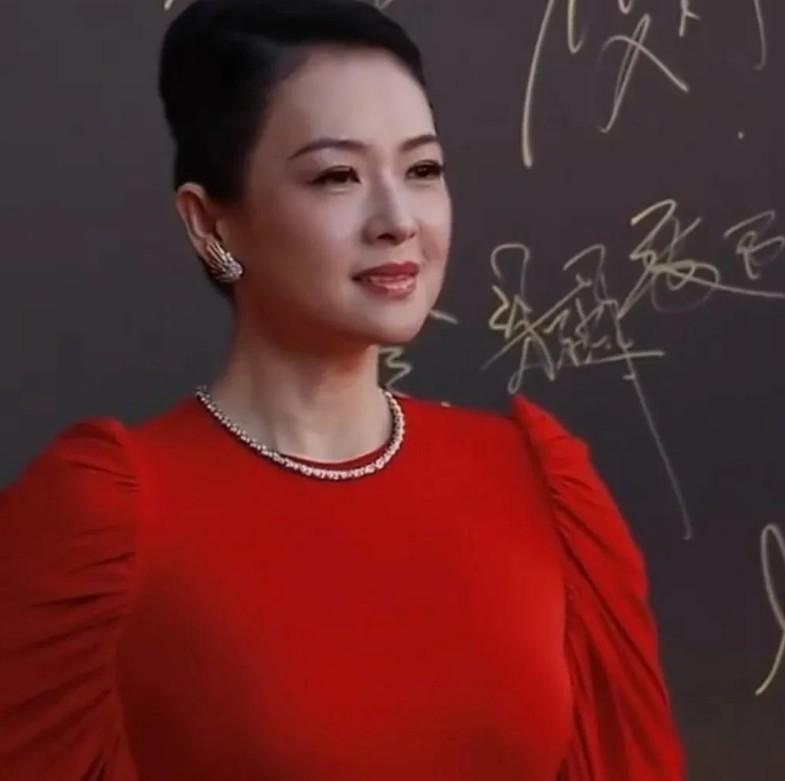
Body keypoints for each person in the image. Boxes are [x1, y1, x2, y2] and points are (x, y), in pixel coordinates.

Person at [0, 0, 685, 778]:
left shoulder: (542, 488)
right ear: (209, 224)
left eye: (422, 170)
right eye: (336, 176)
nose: (397, 219)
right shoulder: (101, 524)